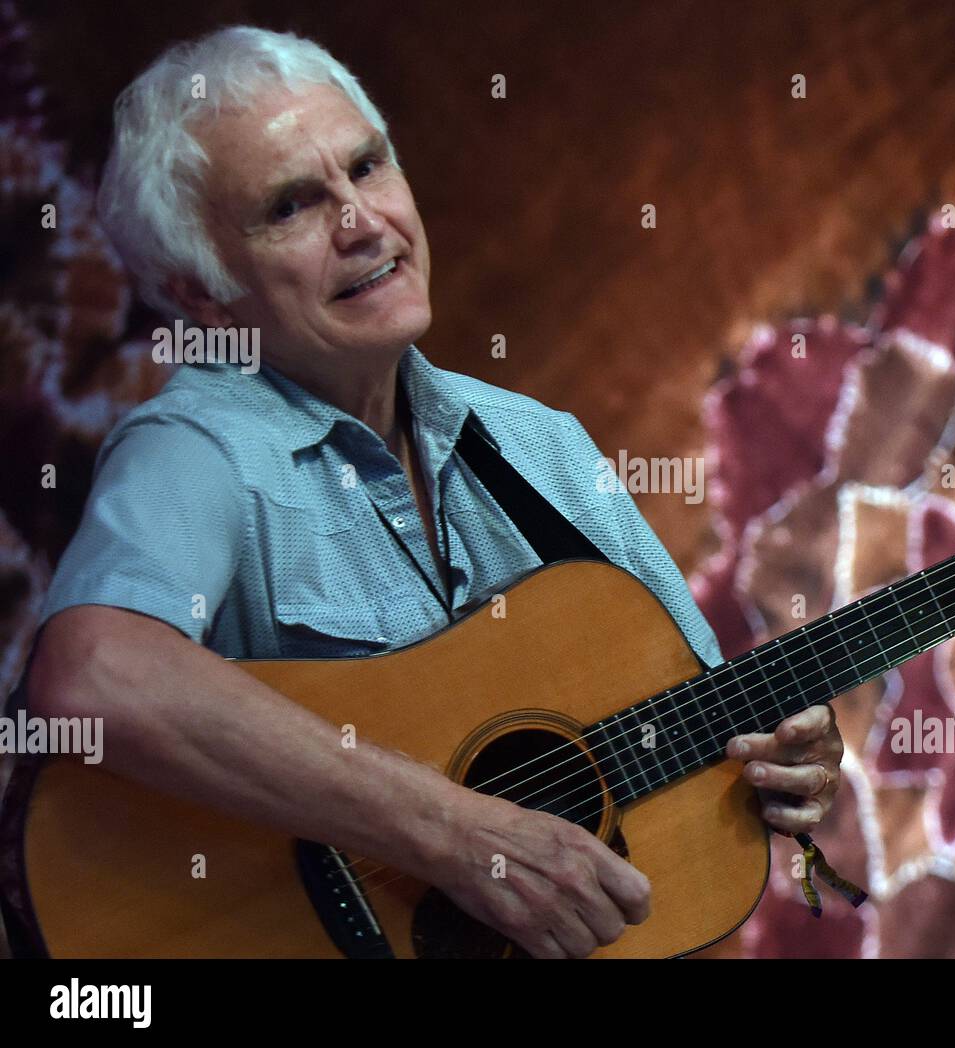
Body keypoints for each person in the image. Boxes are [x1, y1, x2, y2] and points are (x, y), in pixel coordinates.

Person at [19, 25, 843, 958]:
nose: (362, 221)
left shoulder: (538, 444)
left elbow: (700, 720)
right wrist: (452, 834)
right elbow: (94, 675)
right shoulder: (200, 445)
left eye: (367, 168)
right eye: (290, 206)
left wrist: (786, 761)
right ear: (200, 293)